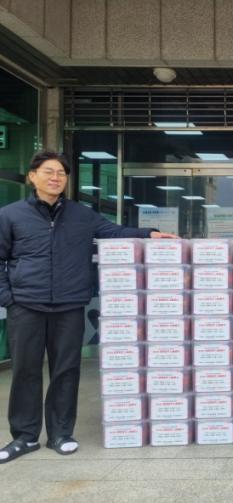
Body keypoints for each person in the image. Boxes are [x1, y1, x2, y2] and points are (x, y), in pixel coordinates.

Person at [0, 150, 177, 463]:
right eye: (49, 171)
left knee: (66, 371)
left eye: (61, 173)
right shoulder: (10, 215)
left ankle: (60, 434)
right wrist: (8, 298)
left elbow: (114, 231)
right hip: (26, 305)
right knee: (26, 371)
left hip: (69, 304)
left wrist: (148, 233)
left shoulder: (82, 215)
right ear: (33, 176)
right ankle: (25, 437)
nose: (56, 178)